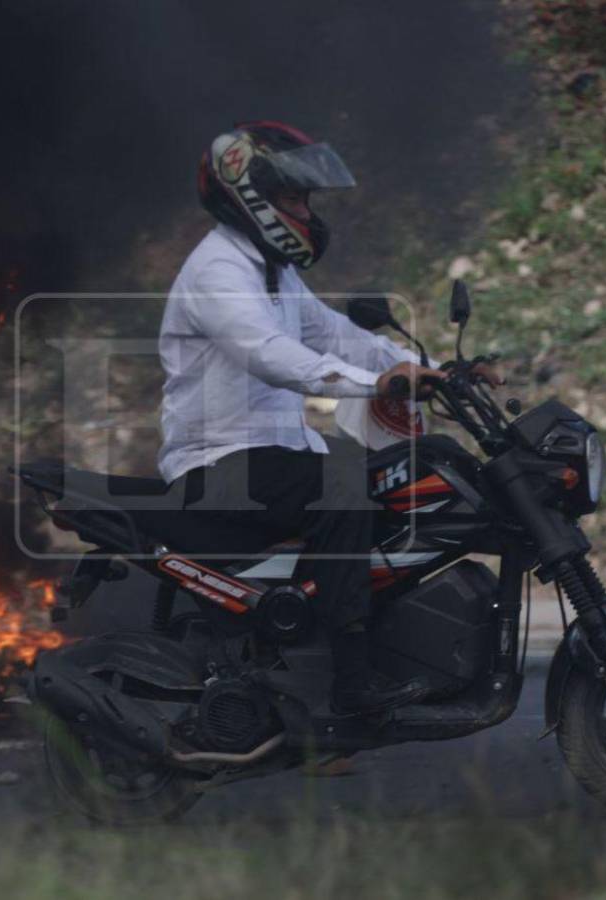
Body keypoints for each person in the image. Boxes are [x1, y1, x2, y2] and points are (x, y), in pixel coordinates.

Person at [157, 120, 444, 713]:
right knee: (344, 492)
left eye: (305, 198)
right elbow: (271, 355)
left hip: (275, 459)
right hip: (218, 469)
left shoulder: (272, 270)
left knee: (385, 485)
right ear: (247, 194)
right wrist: (375, 384)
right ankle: (353, 686)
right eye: (292, 197)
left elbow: (336, 335)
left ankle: (358, 656)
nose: (306, 212)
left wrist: (434, 371)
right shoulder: (218, 272)